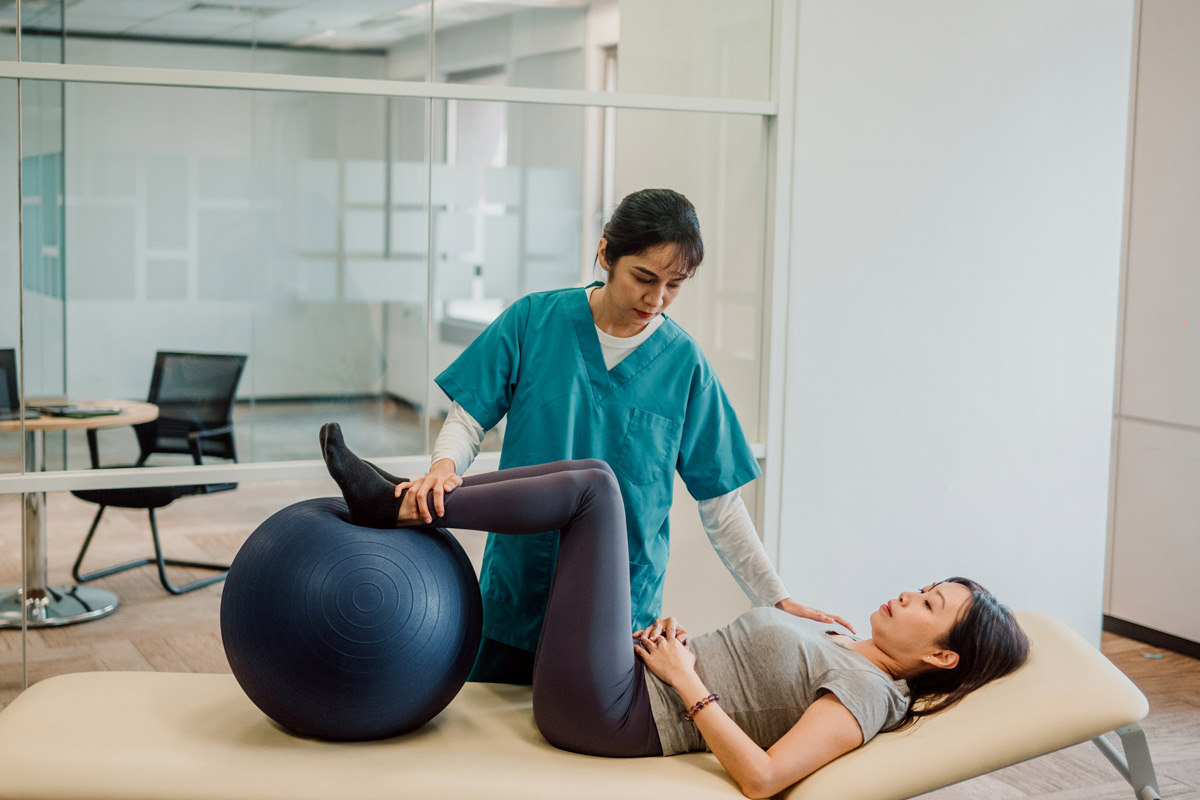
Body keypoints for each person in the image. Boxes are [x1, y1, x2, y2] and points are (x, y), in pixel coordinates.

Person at [321, 424, 1030, 798]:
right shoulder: (841, 639)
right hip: (626, 680)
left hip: (613, 715)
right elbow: (746, 676)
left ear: (941, 656)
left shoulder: (870, 693)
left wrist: (686, 680)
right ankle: (407, 499)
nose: (908, 595)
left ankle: (398, 506)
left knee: (596, 494)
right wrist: (678, 643)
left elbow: (764, 778)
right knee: (595, 478)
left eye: (929, 603)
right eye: (923, 586)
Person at [399, 188, 851, 684]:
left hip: (617, 610)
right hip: (519, 590)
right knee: (486, 722)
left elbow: (722, 505)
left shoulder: (684, 365)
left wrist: (777, 598)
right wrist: (443, 468)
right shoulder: (533, 321)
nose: (656, 299)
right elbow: (469, 418)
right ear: (606, 254)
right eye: (644, 278)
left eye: (675, 285)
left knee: (588, 728)